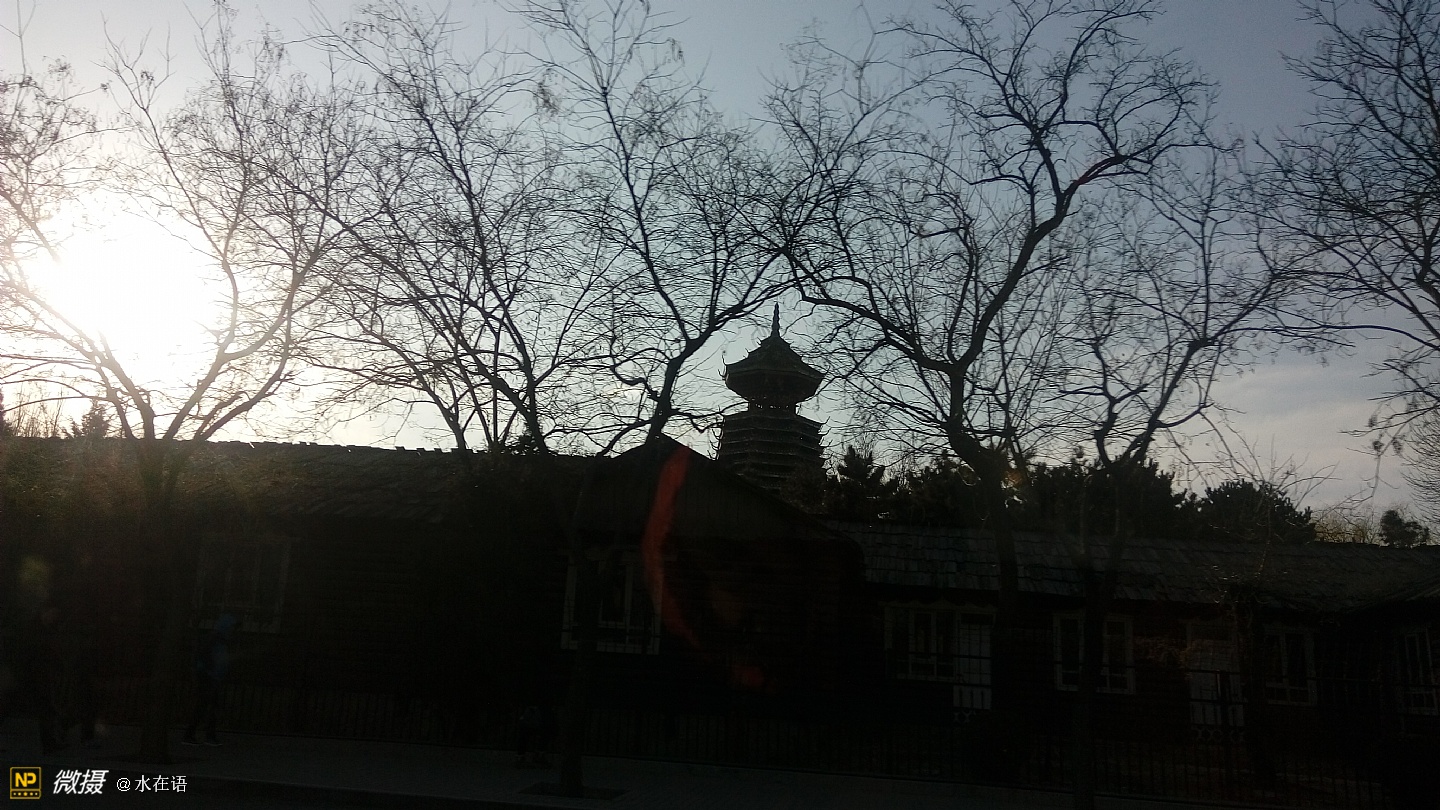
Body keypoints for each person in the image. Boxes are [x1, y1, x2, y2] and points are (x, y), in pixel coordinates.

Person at [182, 614, 235, 746]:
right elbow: (205, 656)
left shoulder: (218, 639)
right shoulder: (216, 639)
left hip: (211, 677)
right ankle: (201, 735)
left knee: (205, 706)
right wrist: (210, 671)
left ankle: (197, 734)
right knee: (206, 706)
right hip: (209, 677)